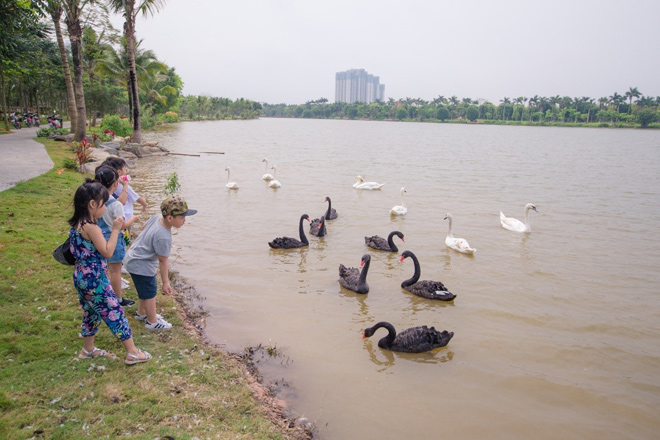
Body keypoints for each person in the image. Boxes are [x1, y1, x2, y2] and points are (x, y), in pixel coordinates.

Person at [68, 179, 151, 365]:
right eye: (103, 204)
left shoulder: (77, 225)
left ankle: (88, 349)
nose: (105, 208)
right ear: (92, 204)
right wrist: (115, 229)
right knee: (115, 311)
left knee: (91, 312)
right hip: (95, 279)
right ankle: (133, 352)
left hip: (81, 277)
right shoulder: (92, 227)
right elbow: (107, 251)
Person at [123, 196, 197, 330]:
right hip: (141, 264)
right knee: (150, 292)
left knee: (143, 289)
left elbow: (145, 226)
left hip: (133, 257)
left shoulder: (158, 217)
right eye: (182, 217)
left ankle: (142, 313)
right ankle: (152, 322)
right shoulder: (163, 236)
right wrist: (166, 282)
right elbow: (163, 261)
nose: (184, 220)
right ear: (170, 218)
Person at [94, 166, 140, 307]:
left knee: (103, 268)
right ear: (115, 184)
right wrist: (133, 219)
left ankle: (102, 293)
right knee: (116, 270)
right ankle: (118, 299)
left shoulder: (94, 199)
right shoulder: (116, 204)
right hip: (114, 239)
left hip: (98, 237)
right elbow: (122, 225)